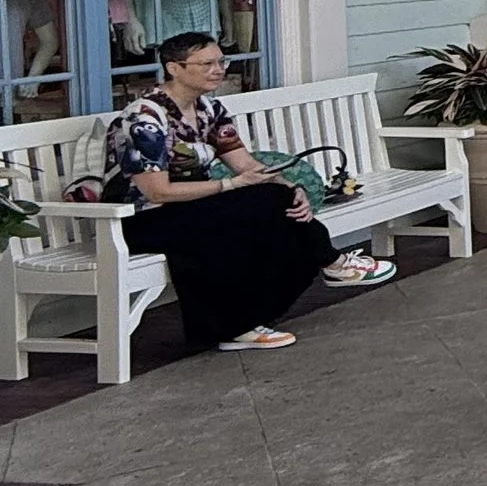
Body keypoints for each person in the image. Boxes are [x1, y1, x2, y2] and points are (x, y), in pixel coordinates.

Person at [105, 28, 396, 354]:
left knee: (279, 206)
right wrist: (230, 186)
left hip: (191, 208)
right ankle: (331, 263)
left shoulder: (208, 110)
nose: (219, 70)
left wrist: (289, 186)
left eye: (221, 61)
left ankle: (246, 322)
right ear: (175, 68)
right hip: (138, 220)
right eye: (206, 64)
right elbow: (156, 192)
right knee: (261, 210)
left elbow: (244, 165)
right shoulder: (145, 117)